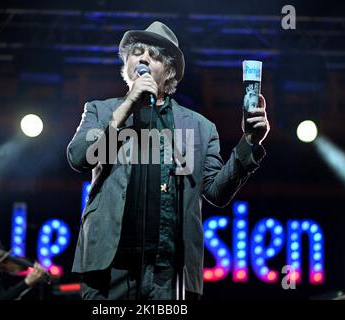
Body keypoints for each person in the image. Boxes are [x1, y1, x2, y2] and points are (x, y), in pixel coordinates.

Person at [67, 21, 270, 300]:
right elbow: (79, 158)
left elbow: (216, 192)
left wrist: (250, 141)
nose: (144, 58)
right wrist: (127, 106)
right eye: (137, 52)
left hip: (168, 273)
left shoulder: (199, 127)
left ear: (170, 71)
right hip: (109, 269)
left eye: (155, 55)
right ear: (127, 63)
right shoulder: (101, 111)